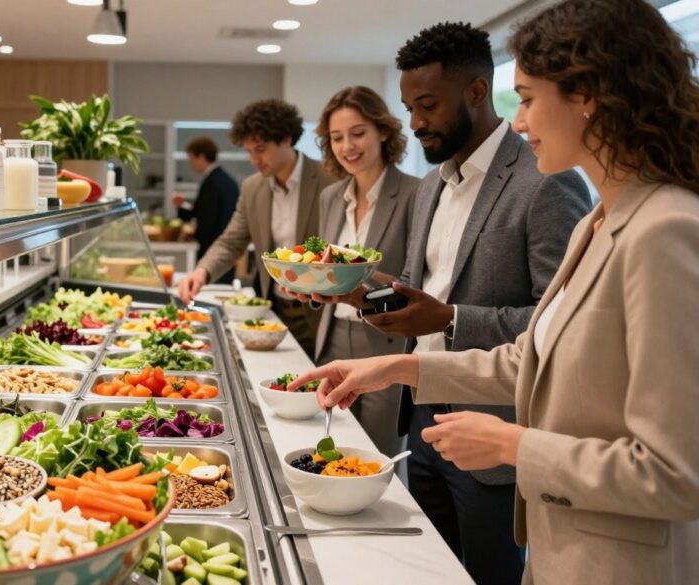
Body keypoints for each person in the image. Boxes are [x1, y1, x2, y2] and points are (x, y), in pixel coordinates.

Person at [291, 1, 699, 583]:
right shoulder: (599, 223)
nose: (522, 119)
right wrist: (395, 369)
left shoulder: (668, 230)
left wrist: (514, 445)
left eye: (529, 98)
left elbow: (677, 473)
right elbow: (537, 354)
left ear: (591, 96)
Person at [296, 86, 420, 456]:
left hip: (385, 341)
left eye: (358, 133)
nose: (347, 145)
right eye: (337, 138)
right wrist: (307, 282)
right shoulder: (331, 197)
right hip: (333, 334)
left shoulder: (417, 193)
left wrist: (353, 276)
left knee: (377, 455)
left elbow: (416, 281)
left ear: (383, 131)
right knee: (330, 444)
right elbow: (324, 268)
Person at [177, 99, 336, 357]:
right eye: (249, 151)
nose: (253, 160)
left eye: (260, 149)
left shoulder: (330, 179)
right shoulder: (253, 188)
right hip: (273, 310)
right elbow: (231, 241)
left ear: (286, 139)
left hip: (321, 313)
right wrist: (202, 272)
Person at [172, 136, 240, 283]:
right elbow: (204, 211)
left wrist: (193, 236)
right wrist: (183, 205)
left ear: (201, 157)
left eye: (191, 159)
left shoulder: (212, 182)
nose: (191, 164)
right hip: (226, 252)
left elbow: (206, 220)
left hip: (213, 250)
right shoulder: (226, 180)